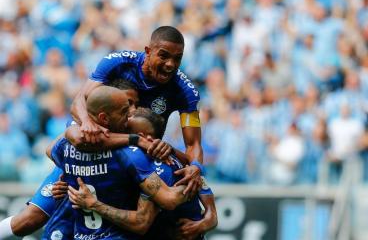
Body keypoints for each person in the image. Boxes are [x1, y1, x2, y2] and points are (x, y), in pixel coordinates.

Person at [0, 79, 142, 239]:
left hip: (106, 192)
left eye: (136, 104)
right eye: (128, 104)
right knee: (30, 219)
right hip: (73, 172)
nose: (132, 110)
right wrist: (71, 175)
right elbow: (55, 147)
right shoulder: (83, 121)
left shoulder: (134, 125)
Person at [71, 25, 204, 194]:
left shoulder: (185, 91)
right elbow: (79, 100)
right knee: (32, 216)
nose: (170, 64)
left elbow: (193, 144)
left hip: (142, 161)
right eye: (163, 56)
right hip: (102, 145)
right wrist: (87, 122)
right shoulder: (118, 63)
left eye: (177, 58)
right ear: (148, 51)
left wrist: (196, 167)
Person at [47, 85, 190, 239]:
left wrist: (67, 181)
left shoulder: (66, 146)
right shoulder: (130, 153)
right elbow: (165, 203)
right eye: (123, 112)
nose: (129, 116)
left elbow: (50, 150)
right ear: (104, 118)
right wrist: (192, 184)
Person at [68, 108, 217, 240]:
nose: (121, 136)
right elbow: (202, 185)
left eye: (127, 132)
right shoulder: (171, 157)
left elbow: (142, 222)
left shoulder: (154, 167)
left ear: (144, 137)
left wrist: (94, 204)